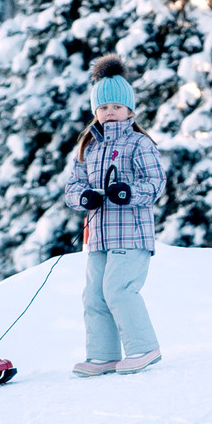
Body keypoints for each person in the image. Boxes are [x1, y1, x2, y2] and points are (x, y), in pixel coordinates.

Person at [64, 54, 166, 377]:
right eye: (103, 108)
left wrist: (128, 192)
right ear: (95, 111)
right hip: (99, 237)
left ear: (129, 110)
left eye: (116, 107)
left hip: (131, 234)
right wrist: (84, 196)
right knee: (94, 295)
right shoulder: (88, 148)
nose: (110, 113)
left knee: (119, 289)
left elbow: (156, 182)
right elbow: (72, 186)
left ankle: (143, 347)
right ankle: (103, 355)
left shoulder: (139, 143)